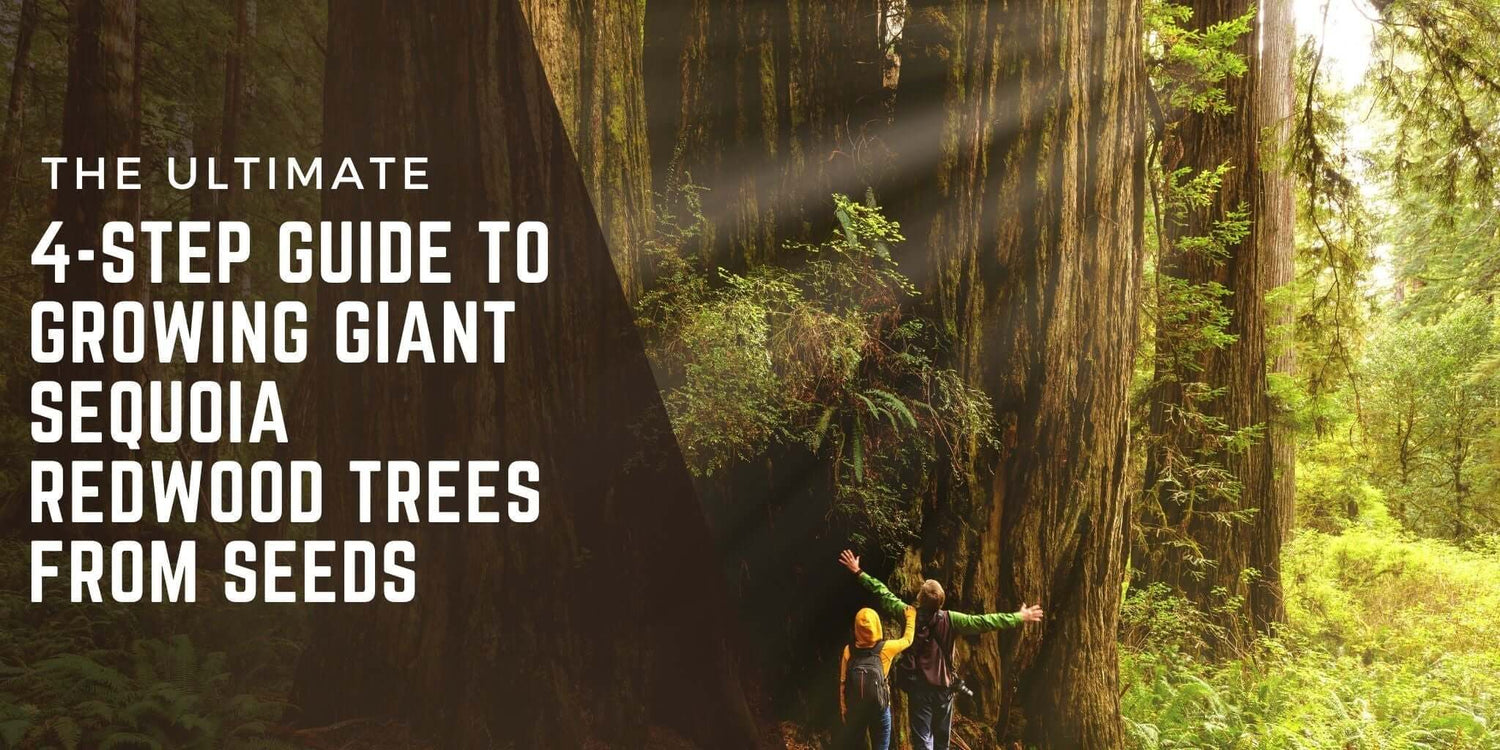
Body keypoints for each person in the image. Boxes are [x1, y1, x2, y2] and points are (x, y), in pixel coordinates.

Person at [838, 549, 1044, 750]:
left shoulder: (908, 613)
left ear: (920, 598)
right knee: (941, 743)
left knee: (922, 743)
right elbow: (985, 621)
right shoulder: (952, 619)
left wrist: (858, 571)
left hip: (919, 690)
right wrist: (1019, 617)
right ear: (941, 601)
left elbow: (882, 593)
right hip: (944, 690)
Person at [838, 601, 916, 750]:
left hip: (856, 709)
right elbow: (908, 640)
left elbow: (843, 682)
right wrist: (911, 616)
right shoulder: (886, 649)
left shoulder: (848, 650)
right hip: (880, 708)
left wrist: (843, 709)